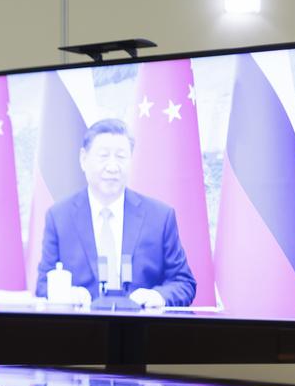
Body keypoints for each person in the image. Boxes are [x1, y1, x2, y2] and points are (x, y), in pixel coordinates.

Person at [36, 119, 196, 307]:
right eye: (103, 156)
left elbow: (183, 282)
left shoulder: (159, 217)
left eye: (121, 157)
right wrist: (66, 294)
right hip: (81, 331)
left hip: (142, 330)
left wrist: (157, 297)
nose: (112, 167)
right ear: (83, 159)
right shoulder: (59, 217)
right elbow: (43, 285)